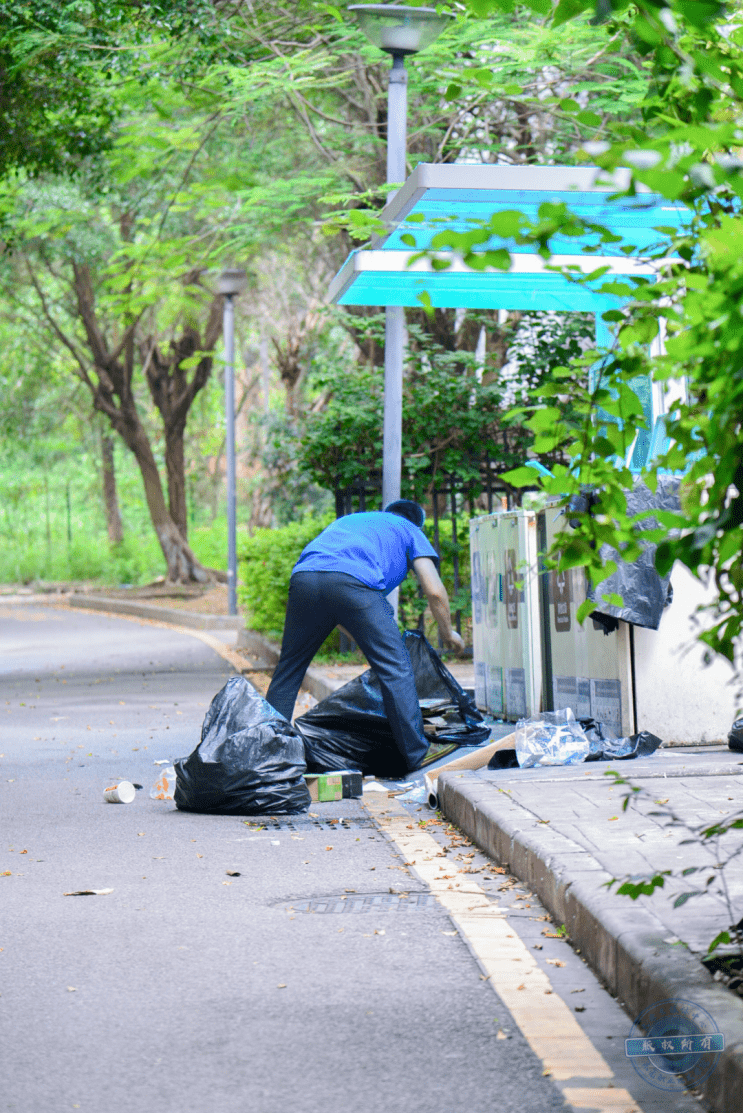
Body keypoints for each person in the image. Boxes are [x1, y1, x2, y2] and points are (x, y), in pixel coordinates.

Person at [265, 500, 465, 773]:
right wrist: (448, 633)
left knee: (288, 670)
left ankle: (267, 754)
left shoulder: (353, 522)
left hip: (304, 578)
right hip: (355, 583)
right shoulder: (410, 530)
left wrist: (367, 638)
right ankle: (416, 753)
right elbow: (435, 590)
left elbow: (336, 607)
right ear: (416, 523)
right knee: (396, 667)